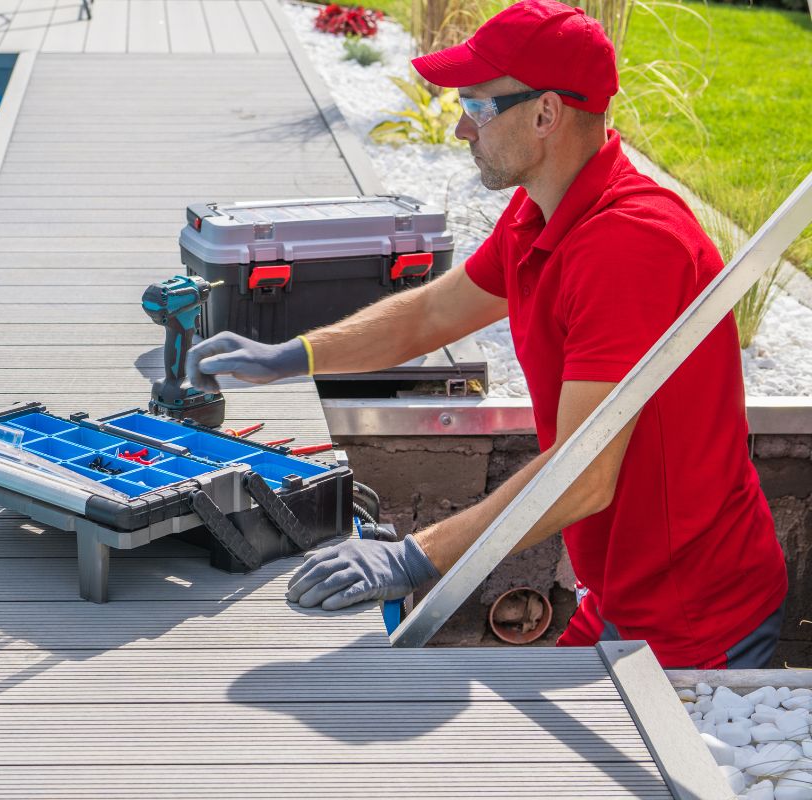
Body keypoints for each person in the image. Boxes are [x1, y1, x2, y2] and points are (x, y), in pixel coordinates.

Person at [185, 0, 788, 669]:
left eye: (475, 107)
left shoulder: (629, 248)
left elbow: (584, 478)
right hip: (619, 595)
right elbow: (428, 317)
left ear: (545, 114)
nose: (459, 130)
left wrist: (415, 557)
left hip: (696, 624)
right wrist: (290, 357)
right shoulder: (544, 212)